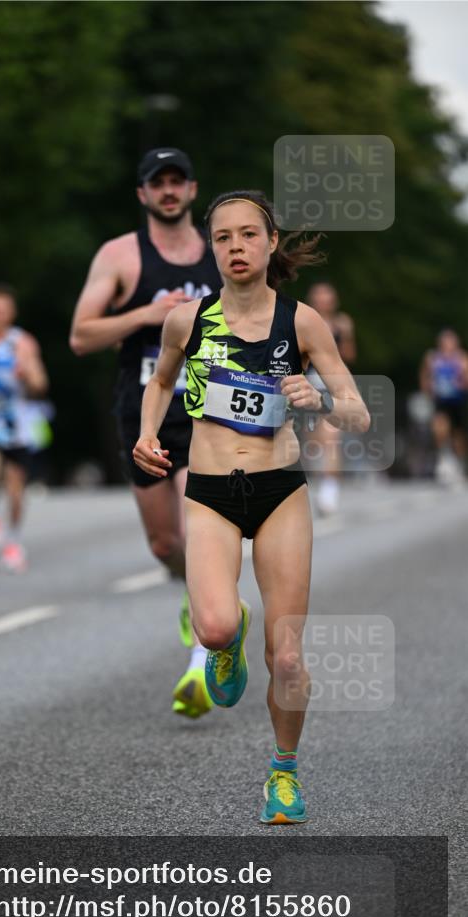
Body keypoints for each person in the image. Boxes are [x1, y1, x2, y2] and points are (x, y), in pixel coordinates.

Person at [133, 191, 370, 823]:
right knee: (213, 628)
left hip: (278, 490)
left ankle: (284, 774)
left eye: (248, 235)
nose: (236, 247)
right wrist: (147, 434)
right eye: (222, 238)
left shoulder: (302, 324)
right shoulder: (187, 319)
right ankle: (224, 639)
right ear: (211, 249)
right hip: (210, 492)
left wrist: (316, 396)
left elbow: (359, 410)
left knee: (287, 655)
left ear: (270, 245)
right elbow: (160, 382)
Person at [70, 148, 222, 718]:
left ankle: (200, 660)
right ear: (142, 194)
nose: (168, 190)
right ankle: (196, 593)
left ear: (192, 189)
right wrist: (146, 315)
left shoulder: (219, 254)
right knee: (166, 544)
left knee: (198, 526)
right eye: (157, 183)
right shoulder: (120, 256)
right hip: (145, 412)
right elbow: (81, 337)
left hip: (212, 410)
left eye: (177, 181)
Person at [0, 284, 51, 570]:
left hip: (16, 424)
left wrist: (27, 373)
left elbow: (41, 384)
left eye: (1, 310)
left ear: (11, 313)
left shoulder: (22, 343)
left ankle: (13, 542)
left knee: (15, 490)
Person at [305, 283, 357, 514]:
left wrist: (344, 334)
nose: (323, 301)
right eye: (319, 297)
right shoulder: (303, 322)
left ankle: (329, 489)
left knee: (332, 437)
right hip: (307, 387)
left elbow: (349, 356)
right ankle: (321, 483)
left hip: (332, 385)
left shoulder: (341, 323)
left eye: (327, 297)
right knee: (314, 443)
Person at [419, 327, 468, 485]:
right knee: (439, 427)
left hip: (457, 400)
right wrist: (427, 391)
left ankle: (459, 463)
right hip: (440, 400)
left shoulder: (461, 358)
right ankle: (443, 456)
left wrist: (461, 381)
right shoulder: (432, 357)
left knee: (458, 434)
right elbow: (424, 375)